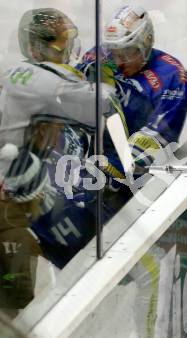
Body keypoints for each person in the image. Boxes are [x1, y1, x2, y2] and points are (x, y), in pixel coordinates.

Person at [0, 8, 117, 309]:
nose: (66, 48)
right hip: (28, 209)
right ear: (35, 46)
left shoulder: (58, 78)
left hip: (59, 201)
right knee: (21, 302)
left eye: (68, 40)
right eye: (58, 41)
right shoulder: (25, 79)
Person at [77, 4, 187, 185]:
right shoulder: (97, 56)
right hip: (90, 165)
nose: (118, 61)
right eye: (114, 52)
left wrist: (110, 172)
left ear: (147, 41)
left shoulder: (172, 75)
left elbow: (157, 135)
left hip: (137, 182)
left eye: (127, 52)